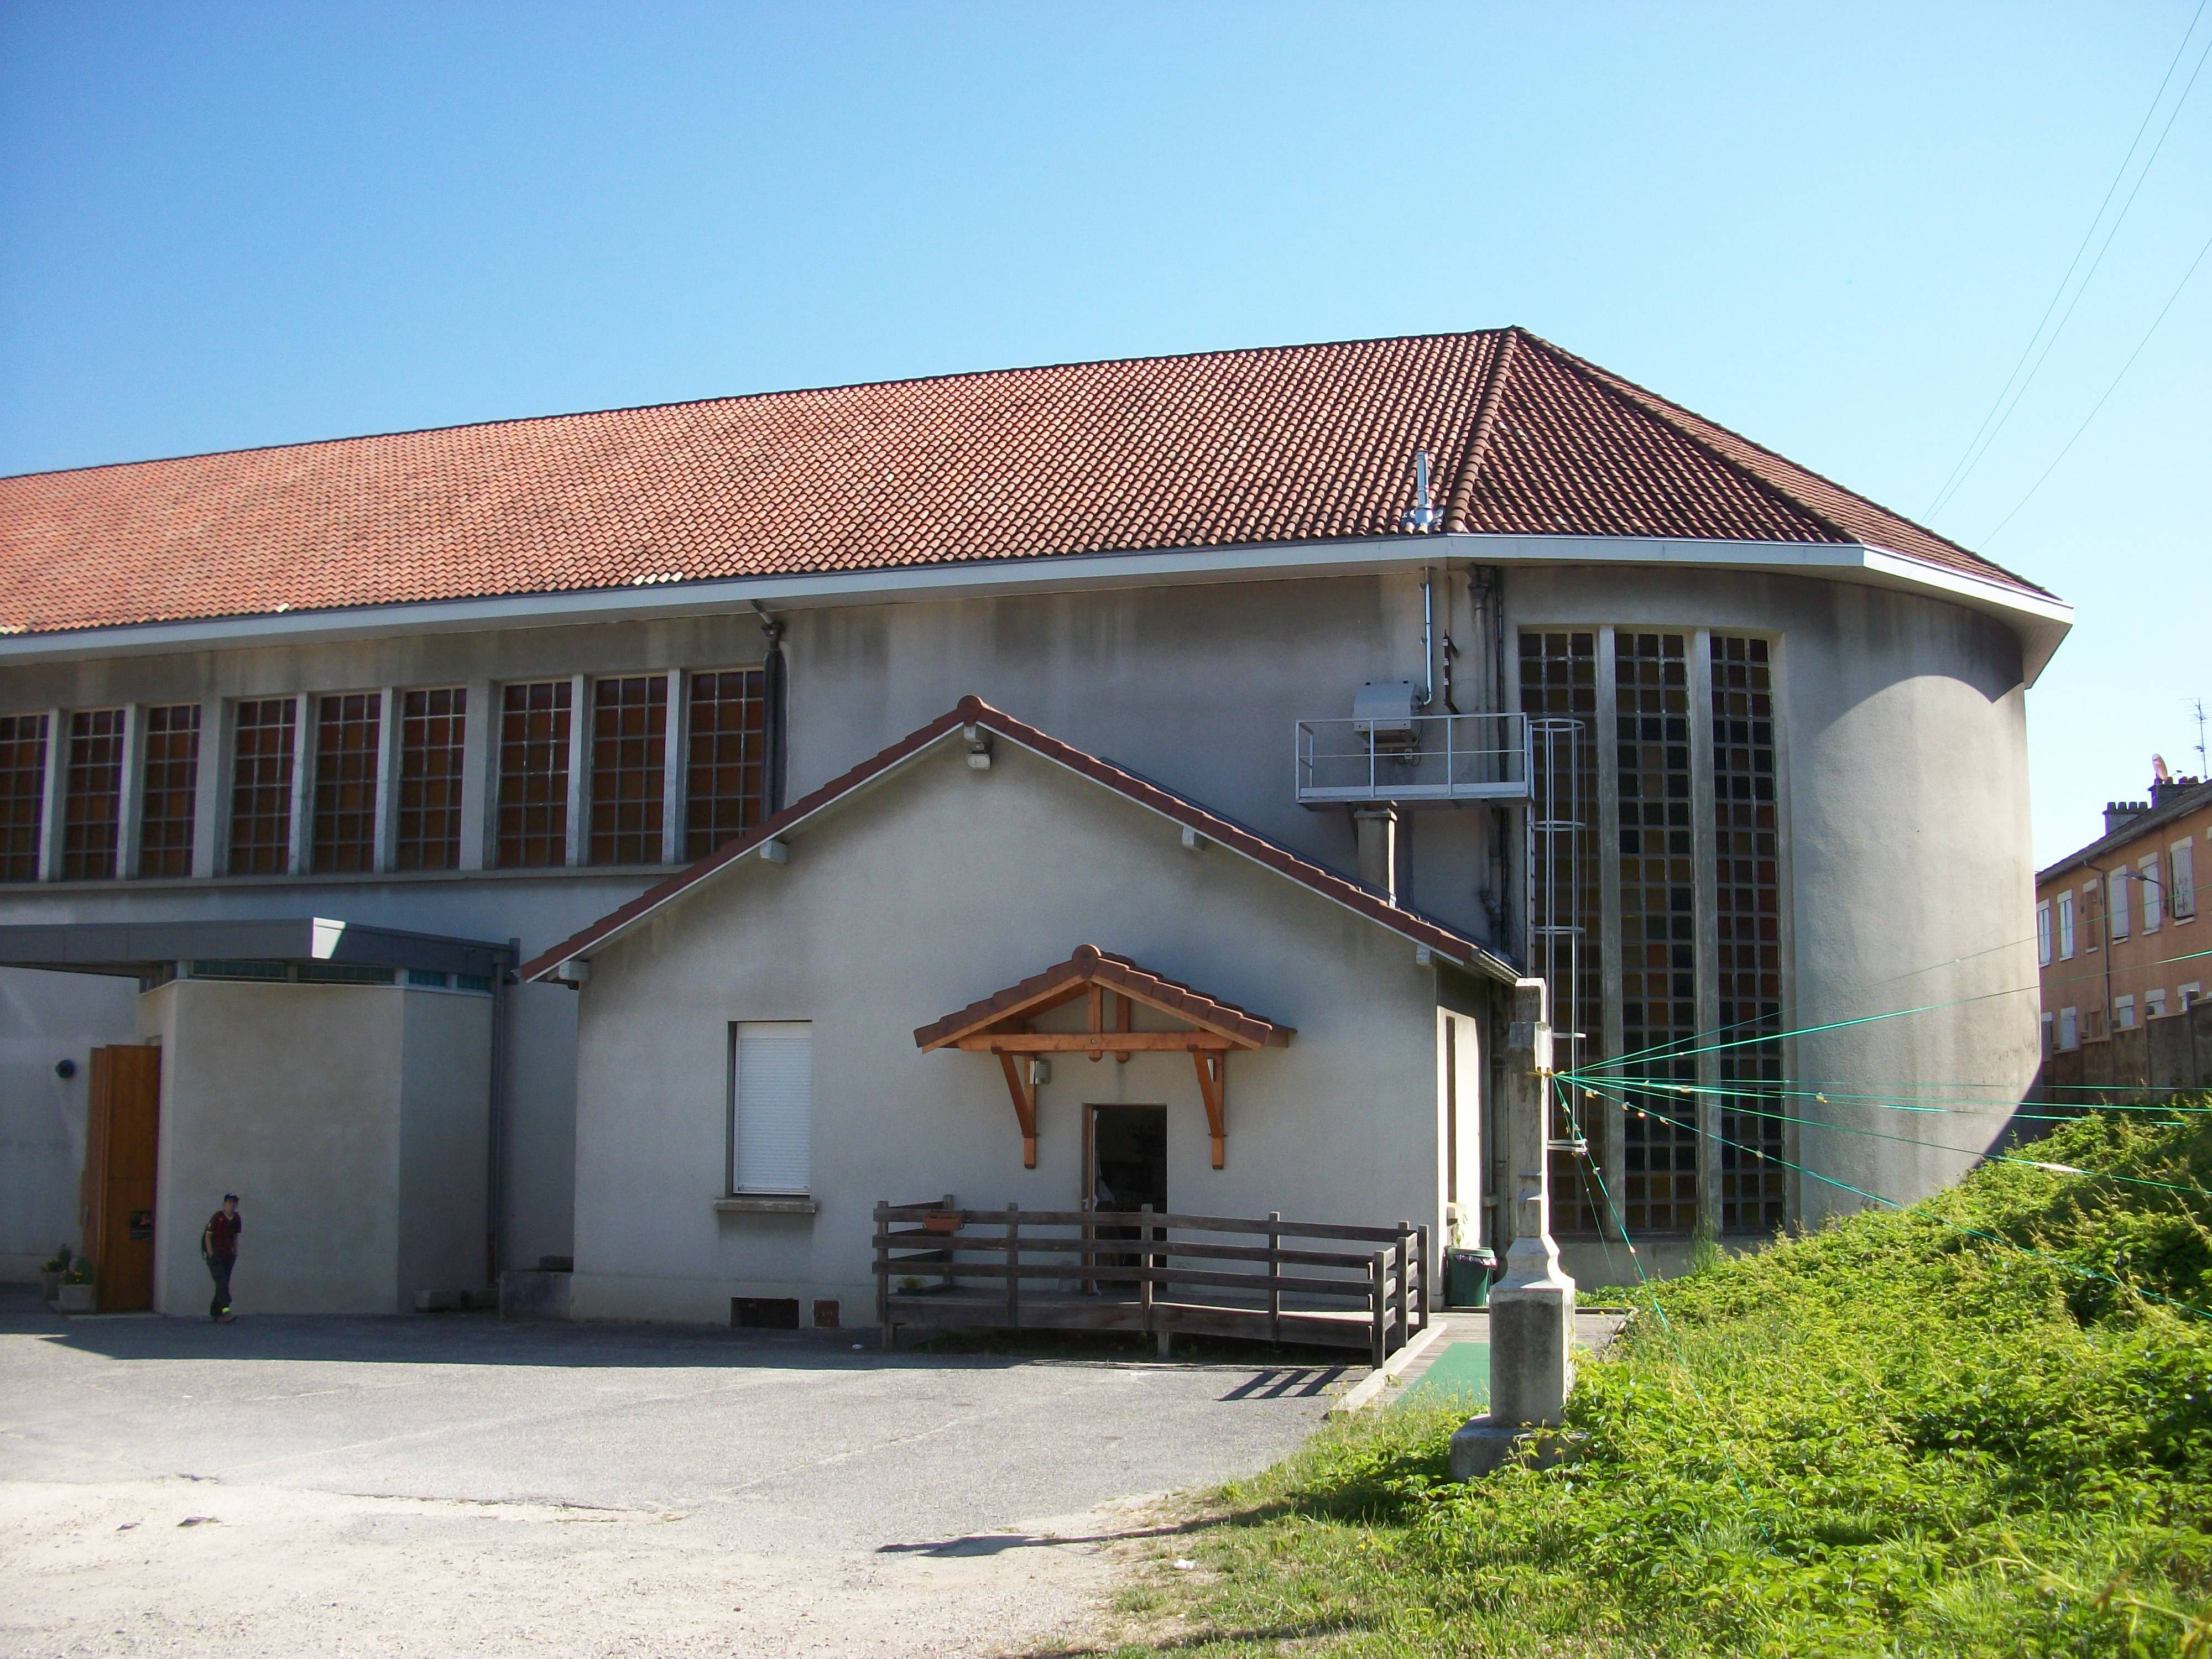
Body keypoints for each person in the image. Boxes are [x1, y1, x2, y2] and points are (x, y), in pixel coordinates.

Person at [200, 1194, 241, 1322]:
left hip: (228, 1256)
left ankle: (215, 1313)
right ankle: (226, 1311)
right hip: (216, 1257)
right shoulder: (217, 1218)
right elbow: (208, 1236)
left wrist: (235, 1252)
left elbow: (235, 1237)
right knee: (222, 1282)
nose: (232, 1205)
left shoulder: (236, 1219)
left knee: (222, 1285)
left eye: (234, 1202)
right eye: (229, 1202)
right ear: (224, 1204)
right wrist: (210, 1252)